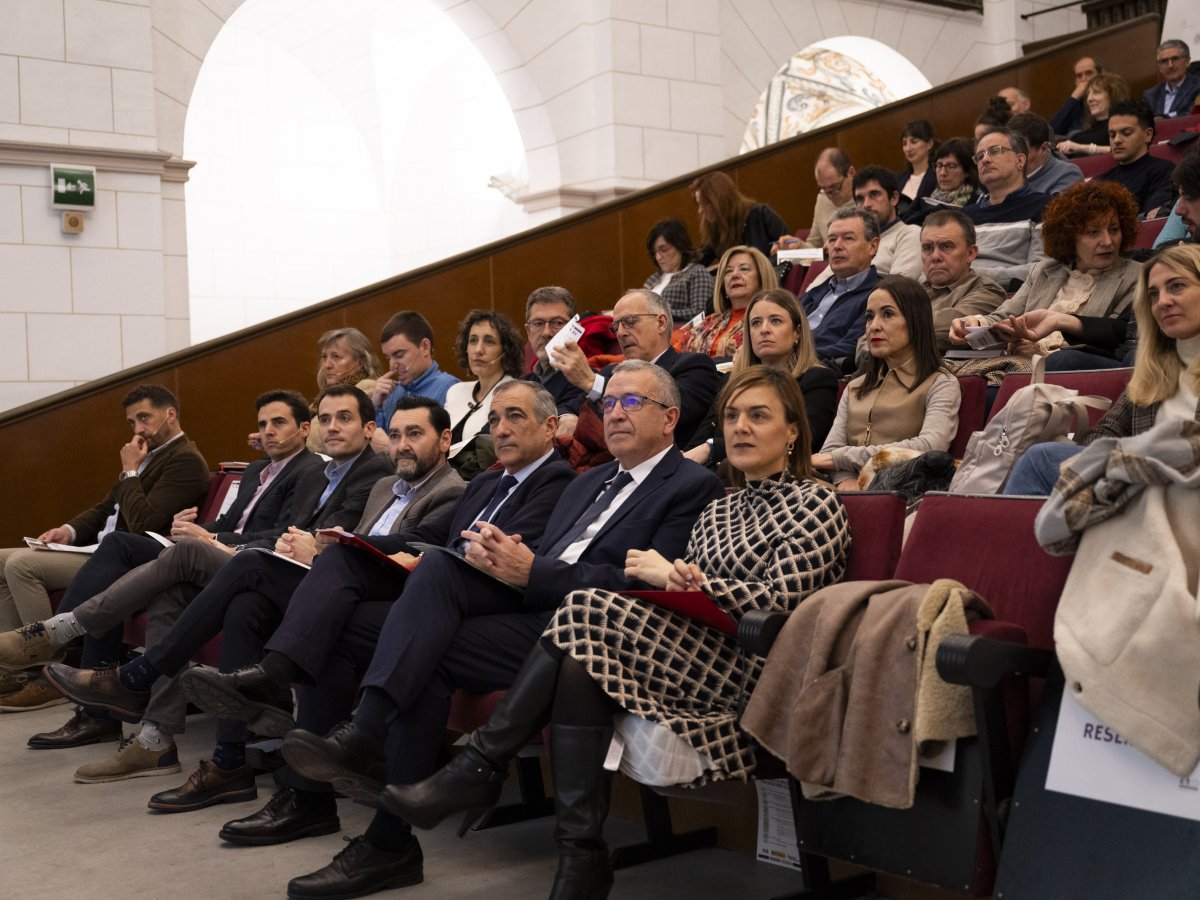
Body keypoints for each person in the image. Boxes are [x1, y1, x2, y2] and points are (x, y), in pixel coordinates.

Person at [230, 363, 724, 898]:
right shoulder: (591, 482)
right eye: (608, 404)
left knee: (435, 595)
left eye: (632, 403)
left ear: (671, 418)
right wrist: (513, 564)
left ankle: (374, 777)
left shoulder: (693, 486)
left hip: (594, 636)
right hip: (531, 611)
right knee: (385, 623)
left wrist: (532, 570)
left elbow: (644, 586)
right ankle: (383, 833)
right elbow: (544, 560)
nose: (615, 413)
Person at [375, 365, 849, 900]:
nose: (739, 427)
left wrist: (690, 582)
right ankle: (580, 858)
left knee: (584, 607)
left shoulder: (817, 501)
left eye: (758, 416)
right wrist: (686, 582)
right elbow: (685, 593)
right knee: (580, 659)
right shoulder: (720, 506)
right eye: (733, 415)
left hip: (747, 664)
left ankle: (480, 765)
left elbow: (787, 607)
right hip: (683, 646)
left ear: (792, 431)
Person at [39, 386, 393, 784]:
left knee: (187, 555)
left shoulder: (363, 471)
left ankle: (82, 644)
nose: (332, 427)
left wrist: (214, 541)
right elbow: (274, 529)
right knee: (195, 595)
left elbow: (318, 537)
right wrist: (202, 531)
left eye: (342, 418)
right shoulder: (323, 471)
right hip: (280, 563)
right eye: (326, 418)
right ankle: (192, 749)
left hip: (308, 575)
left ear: (368, 428)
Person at [136, 396, 467, 815]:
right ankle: (230, 760)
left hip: (391, 600)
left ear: (446, 440)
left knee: (256, 567)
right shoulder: (386, 486)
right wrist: (317, 548)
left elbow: (413, 551)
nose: (402, 444)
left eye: (415, 434)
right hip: (341, 584)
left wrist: (330, 550)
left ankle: (152, 673)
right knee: (247, 605)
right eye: (397, 434)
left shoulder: (452, 491)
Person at [0, 391, 320, 721]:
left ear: (305, 428)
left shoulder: (308, 469)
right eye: (262, 424)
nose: (268, 430)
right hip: (202, 551)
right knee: (158, 586)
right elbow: (226, 521)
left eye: (278, 423)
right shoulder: (256, 470)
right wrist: (189, 527)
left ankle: (58, 637)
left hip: (239, 560)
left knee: (120, 545)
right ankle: (153, 735)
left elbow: (285, 532)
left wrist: (207, 536)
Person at [0, 383, 209, 711]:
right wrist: (68, 531)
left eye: (144, 417)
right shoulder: (147, 455)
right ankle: (15, 670)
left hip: (122, 557)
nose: (138, 429)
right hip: (99, 550)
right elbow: (105, 509)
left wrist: (129, 471)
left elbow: (143, 523)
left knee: (20, 566)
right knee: (1, 560)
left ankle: (47, 663)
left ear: (170, 414)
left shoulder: (185, 461)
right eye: (131, 422)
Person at [1005, 243, 1200, 495]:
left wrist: (1119, 460)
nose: (1162, 302)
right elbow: (1105, 431)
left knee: (1041, 459)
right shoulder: (1156, 368)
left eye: (1176, 286)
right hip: (1143, 485)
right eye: (1153, 294)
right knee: (1045, 453)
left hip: (1183, 493)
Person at [950, 181, 1142, 371]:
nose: (1108, 241)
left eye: (1114, 229)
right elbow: (1005, 317)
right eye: (1093, 232)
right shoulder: (1045, 270)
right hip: (1021, 363)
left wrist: (1038, 354)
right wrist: (974, 324)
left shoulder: (1137, 275)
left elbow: (1113, 338)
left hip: (1072, 368)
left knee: (1060, 361)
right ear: (1069, 236)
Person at [813, 276, 962, 490]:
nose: (873, 326)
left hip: (901, 493)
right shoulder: (855, 387)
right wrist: (846, 480)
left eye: (888, 314)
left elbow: (930, 446)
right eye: (869, 317)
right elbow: (831, 451)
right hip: (840, 490)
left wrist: (842, 460)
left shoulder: (941, 383)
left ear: (915, 320)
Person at [685, 288, 839, 466]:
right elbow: (700, 440)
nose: (764, 330)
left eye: (775, 321)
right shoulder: (731, 381)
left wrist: (712, 448)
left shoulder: (817, 379)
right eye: (756, 323)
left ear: (797, 332)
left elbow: (800, 442)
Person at [551, 288, 722, 446]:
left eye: (630, 321)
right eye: (615, 326)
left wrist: (591, 382)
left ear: (661, 323)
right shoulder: (610, 372)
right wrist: (568, 416)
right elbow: (566, 406)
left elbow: (665, 415)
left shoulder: (693, 366)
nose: (620, 333)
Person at [963, 128, 1051, 285]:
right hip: (951, 291)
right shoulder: (964, 216)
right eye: (979, 156)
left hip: (1002, 295)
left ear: (1020, 160)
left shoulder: (1045, 206)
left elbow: (1041, 271)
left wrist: (969, 276)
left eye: (995, 151)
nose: (985, 160)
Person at [443, 309, 524, 474]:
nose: (478, 349)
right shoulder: (455, 391)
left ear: (505, 350)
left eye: (489, 341)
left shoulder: (516, 392)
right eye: (473, 341)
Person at [800, 207, 880, 372]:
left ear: (872, 246)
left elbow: (850, 346)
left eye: (848, 238)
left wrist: (795, 355)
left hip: (815, 371)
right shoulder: (815, 292)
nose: (836, 246)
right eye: (832, 239)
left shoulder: (877, 295)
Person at [370, 311, 459, 452]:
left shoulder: (451, 389)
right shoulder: (391, 392)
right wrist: (376, 406)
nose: (392, 365)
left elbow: (446, 449)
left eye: (399, 355)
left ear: (425, 347)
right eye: (388, 358)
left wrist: (390, 446)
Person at [920, 209, 1006, 352]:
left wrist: (891, 325)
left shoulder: (988, 291)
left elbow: (950, 329)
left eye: (946, 246)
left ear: (970, 253)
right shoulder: (912, 292)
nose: (935, 256)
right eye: (927, 248)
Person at [683, 245, 779, 359]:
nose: (734, 275)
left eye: (744, 269)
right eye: (728, 271)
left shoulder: (772, 321)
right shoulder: (710, 321)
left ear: (761, 277)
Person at [520, 286, 588, 436]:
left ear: (573, 328)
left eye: (557, 323)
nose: (546, 332)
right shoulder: (521, 384)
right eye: (538, 323)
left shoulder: (587, 381)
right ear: (528, 332)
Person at [1095, 100, 1178, 218]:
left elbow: (1152, 218)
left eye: (1126, 133)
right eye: (1112, 134)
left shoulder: (1164, 171)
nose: (1117, 140)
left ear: (1148, 134)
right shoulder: (1099, 181)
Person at [304, 327, 379, 453]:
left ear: (360, 362)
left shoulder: (368, 387)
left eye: (336, 357)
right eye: (324, 357)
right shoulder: (322, 398)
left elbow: (316, 439)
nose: (327, 365)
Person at [690, 171, 788, 266]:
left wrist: (763, 268)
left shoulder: (761, 214)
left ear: (719, 202)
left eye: (704, 204)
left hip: (772, 278)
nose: (700, 210)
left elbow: (790, 244)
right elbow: (698, 260)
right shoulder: (715, 229)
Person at [642, 219, 714, 323]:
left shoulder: (697, 273)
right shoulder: (652, 279)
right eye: (654, 252)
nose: (658, 257)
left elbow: (700, 313)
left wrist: (660, 314)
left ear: (680, 245)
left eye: (664, 249)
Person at [1009, 113, 1084, 197]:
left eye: (1020, 148)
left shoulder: (1068, 175)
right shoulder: (1002, 173)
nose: (1011, 154)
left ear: (1044, 149)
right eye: (1008, 148)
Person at [1057, 72, 1130, 157]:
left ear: (1112, 96)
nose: (1089, 99)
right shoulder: (1078, 137)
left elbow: (1129, 150)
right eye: (1088, 94)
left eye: (1096, 92)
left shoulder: (1124, 128)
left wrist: (1082, 148)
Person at [1143, 39, 1200, 119]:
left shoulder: (1197, 87)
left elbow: (1192, 116)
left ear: (1187, 61)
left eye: (1175, 59)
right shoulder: (1151, 95)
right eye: (1164, 61)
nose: (1170, 65)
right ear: (1160, 67)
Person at [1050, 56, 1102, 137]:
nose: (1084, 79)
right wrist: (1074, 97)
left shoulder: (1109, 99)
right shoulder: (1074, 104)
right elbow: (1051, 131)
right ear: (1076, 81)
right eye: (1079, 76)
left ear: (1100, 76)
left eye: (1089, 73)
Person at [896, 119, 938, 207]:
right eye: (904, 143)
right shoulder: (898, 179)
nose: (908, 148)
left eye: (914, 142)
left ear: (929, 144)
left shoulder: (937, 176)